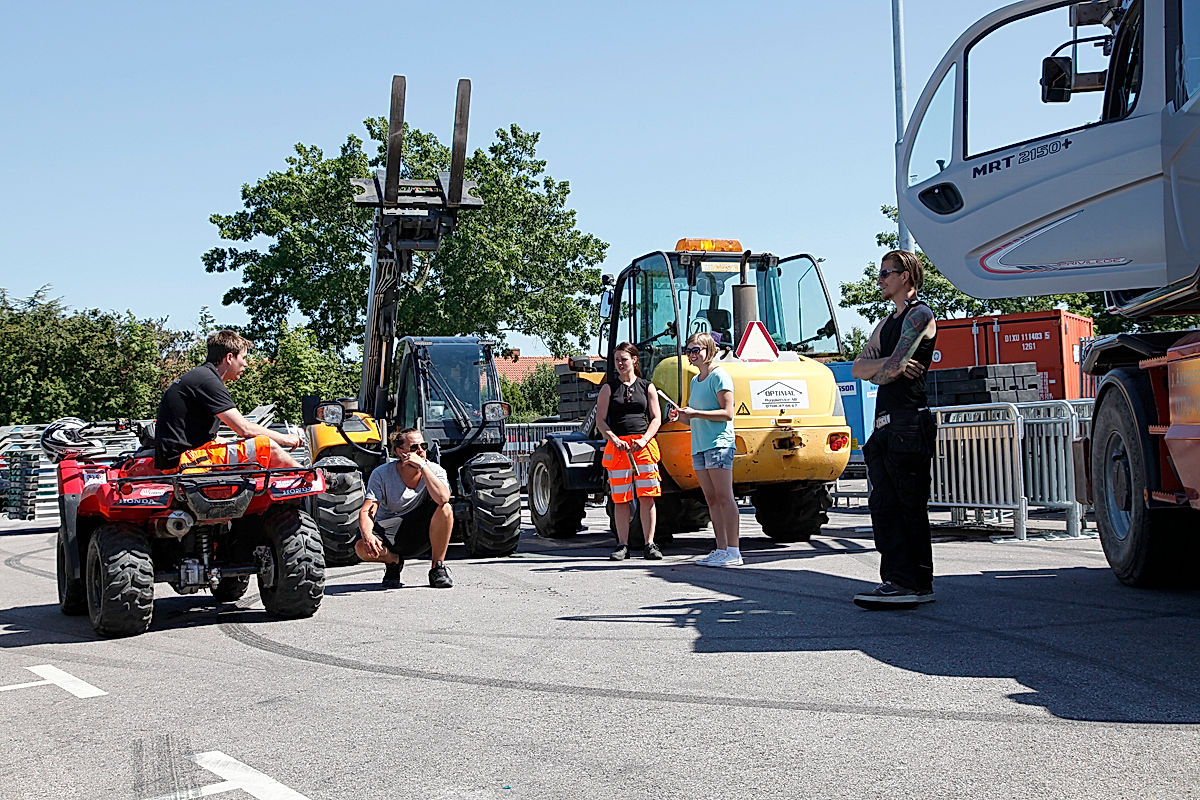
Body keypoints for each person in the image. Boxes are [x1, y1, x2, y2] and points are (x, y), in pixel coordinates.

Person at [851, 249, 939, 608]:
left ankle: (912, 582)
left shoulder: (920, 315)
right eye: (880, 273)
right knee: (885, 506)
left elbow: (889, 370)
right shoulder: (887, 323)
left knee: (907, 505)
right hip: (886, 425)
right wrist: (891, 364)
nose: (880, 280)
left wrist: (888, 366)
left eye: (886, 273)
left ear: (906, 276)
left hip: (908, 421)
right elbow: (859, 368)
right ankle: (898, 580)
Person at [154, 330, 303, 472]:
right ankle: (307, 478)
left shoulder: (200, 376)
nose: (246, 364)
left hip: (182, 457)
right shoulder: (208, 380)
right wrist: (285, 438)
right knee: (266, 446)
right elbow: (245, 429)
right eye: (243, 358)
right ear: (230, 357)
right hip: (185, 461)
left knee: (244, 447)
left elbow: (206, 437)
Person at [668, 332, 740, 567]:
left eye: (696, 349)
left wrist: (695, 413)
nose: (691, 354)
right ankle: (721, 548)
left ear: (709, 350)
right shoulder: (695, 381)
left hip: (719, 444)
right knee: (711, 499)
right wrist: (680, 416)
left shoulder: (719, 376)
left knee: (724, 496)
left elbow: (728, 413)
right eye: (689, 350)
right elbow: (693, 419)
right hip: (700, 445)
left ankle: (734, 550)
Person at [355, 427, 455, 589]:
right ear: (400, 451)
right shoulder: (381, 473)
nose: (421, 451)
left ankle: (438, 568)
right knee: (361, 548)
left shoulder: (435, 470)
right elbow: (368, 509)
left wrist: (423, 467)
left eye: (424, 446)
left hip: (423, 529)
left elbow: (443, 498)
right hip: (391, 530)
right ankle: (393, 561)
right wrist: (367, 536)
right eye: (415, 447)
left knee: (446, 509)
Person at [595, 342, 664, 560]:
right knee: (620, 498)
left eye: (623, 359)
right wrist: (614, 439)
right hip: (619, 448)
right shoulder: (609, 388)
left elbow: (656, 418)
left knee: (647, 496)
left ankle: (650, 544)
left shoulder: (647, 386)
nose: (620, 364)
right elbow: (600, 421)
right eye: (617, 360)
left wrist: (644, 440)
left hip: (643, 447)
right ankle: (622, 544)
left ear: (634, 360)